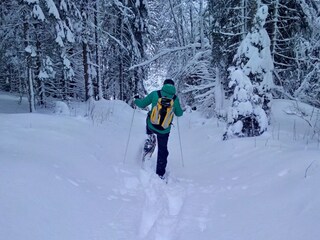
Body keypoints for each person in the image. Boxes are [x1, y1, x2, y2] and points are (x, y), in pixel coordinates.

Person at [134, 79, 183, 179]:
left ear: (164, 85)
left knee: (150, 133)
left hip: (151, 124)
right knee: (162, 150)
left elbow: (142, 104)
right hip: (164, 130)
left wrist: (136, 100)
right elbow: (179, 114)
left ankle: (149, 144)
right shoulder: (175, 99)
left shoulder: (155, 94)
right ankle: (160, 173)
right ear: (173, 86)